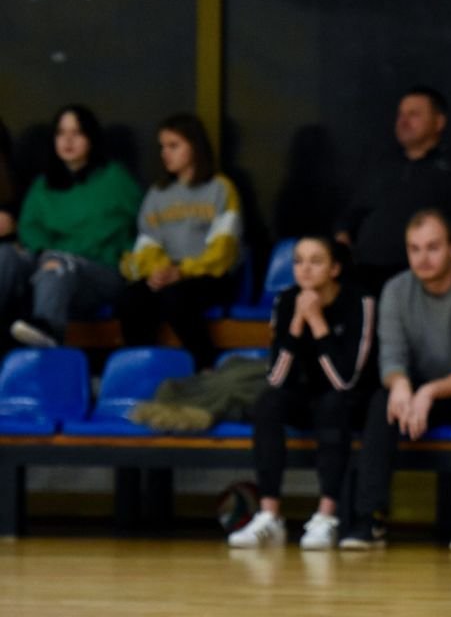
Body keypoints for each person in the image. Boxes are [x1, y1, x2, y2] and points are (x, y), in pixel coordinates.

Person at [339, 208, 451, 552]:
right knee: (382, 402)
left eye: (432, 247)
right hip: (418, 394)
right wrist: (401, 385)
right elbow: (391, 358)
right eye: (415, 248)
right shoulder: (395, 290)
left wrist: (430, 391)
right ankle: (368, 519)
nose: (423, 258)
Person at [228, 234, 376, 550]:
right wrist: (297, 322)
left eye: (315, 261)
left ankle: (326, 516)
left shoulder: (359, 301)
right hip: (302, 395)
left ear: (334, 269)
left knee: (333, 404)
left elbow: (344, 380)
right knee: (268, 402)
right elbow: (277, 377)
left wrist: (317, 322)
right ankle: (269, 515)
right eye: (298, 261)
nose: (305, 269)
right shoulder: (285, 301)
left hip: (348, 400)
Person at [1, 105, 141, 348]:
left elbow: (141, 223)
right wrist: (44, 253)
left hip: (100, 271)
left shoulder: (115, 178)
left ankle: (47, 333)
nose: (67, 140)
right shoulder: (44, 184)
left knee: (58, 264)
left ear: (91, 138)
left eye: (76, 133)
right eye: (61, 133)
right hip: (47, 262)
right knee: (6, 255)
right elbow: (30, 229)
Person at [117, 113, 243, 369]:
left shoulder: (220, 188)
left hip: (209, 275)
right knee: (131, 299)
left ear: (194, 146)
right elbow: (147, 245)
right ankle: (144, 370)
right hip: (168, 273)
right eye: (162, 146)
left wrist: (183, 271)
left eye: (173, 146)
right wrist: (158, 271)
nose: (165, 153)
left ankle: (206, 367)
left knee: (176, 298)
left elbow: (224, 249)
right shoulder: (157, 193)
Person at [334, 86, 451, 296]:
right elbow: (352, 213)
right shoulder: (381, 165)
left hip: (426, 279)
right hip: (366, 275)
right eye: (401, 115)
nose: (403, 121)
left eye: (414, 115)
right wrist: (342, 238)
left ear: (438, 122)